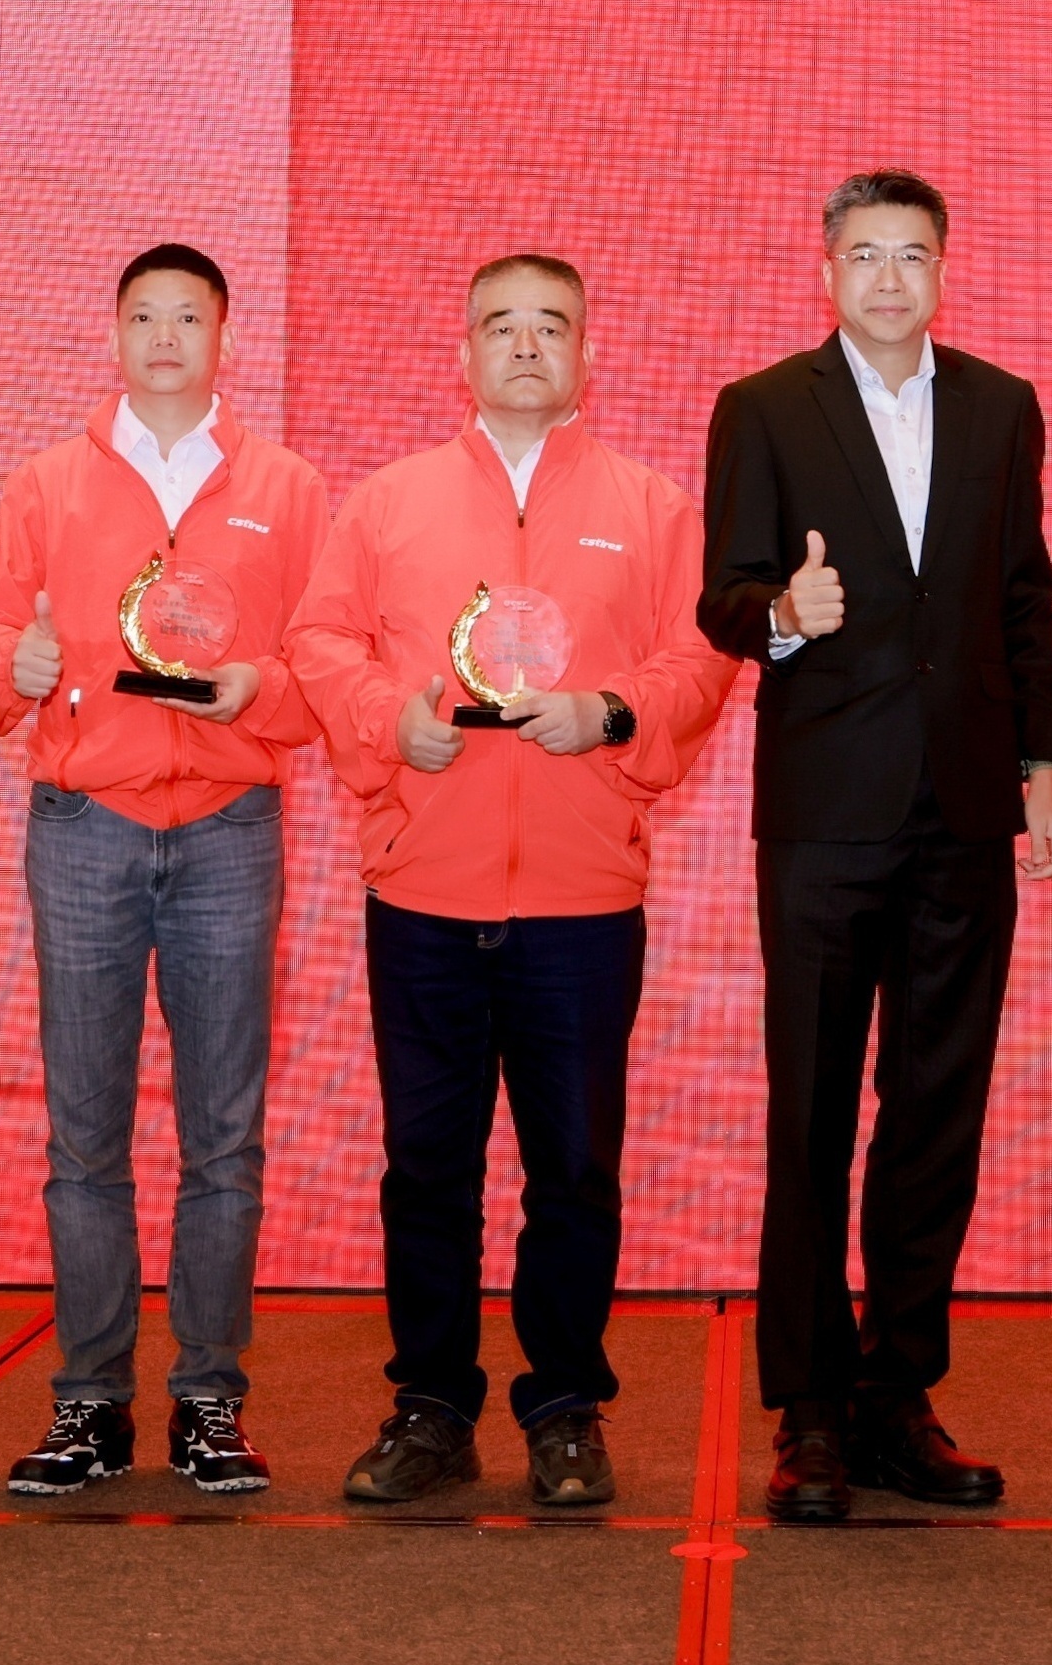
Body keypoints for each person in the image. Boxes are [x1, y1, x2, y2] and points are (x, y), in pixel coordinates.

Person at [283, 253, 737, 1508]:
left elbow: (701, 657)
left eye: (551, 326)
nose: (526, 345)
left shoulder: (651, 507)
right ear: (464, 353)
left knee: (573, 1172)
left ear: (589, 353)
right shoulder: (389, 502)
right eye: (500, 325)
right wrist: (389, 720)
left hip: (583, 901)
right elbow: (317, 639)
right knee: (426, 1168)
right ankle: (429, 1405)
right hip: (422, 889)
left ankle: (564, 1406)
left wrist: (610, 709)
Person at [697, 171, 1052, 1523]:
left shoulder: (999, 406)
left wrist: (1041, 770)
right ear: (827, 271)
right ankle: (807, 1406)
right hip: (823, 812)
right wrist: (780, 611)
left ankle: (897, 1394)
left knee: (933, 1112)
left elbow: (1022, 597)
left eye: (913, 255)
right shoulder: (762, 407)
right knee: (809, 1110)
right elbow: (720, 597)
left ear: (942, 270)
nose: (889, 279)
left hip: (964, 808)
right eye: (865, 256)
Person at [0, 244, 327, 1498]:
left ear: (225, 338)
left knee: (224, 1134)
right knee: (84, 1135)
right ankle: (90, 1401)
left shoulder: (285, 486)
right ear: (113, 335)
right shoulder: (48, 481)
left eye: (189, 316)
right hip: (85, 824)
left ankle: (210, 1398)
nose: (165, 336)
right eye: (143, 315)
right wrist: (8, 661)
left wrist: (257, 686)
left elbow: (327, 662)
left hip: (228, 825)